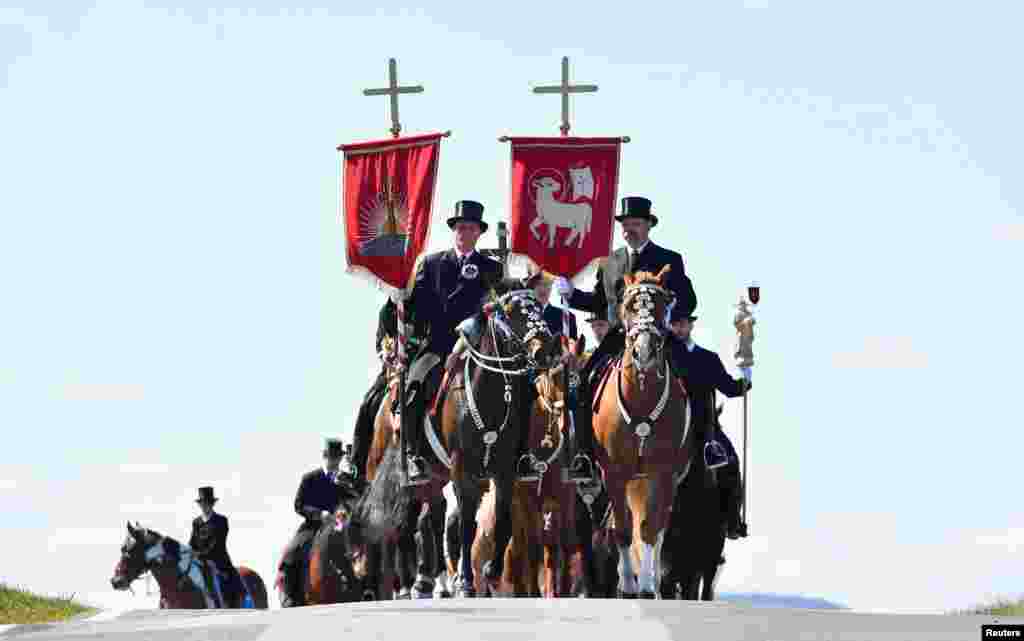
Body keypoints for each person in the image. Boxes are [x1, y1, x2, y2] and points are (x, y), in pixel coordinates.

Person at [554, 196, 698, 482]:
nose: (629, 230)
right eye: (625, 225)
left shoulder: (669, 260)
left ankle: (708, 444)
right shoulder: (609, 261)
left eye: (635, 224)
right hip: (619, 338)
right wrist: (571, 293)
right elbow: (598, 302)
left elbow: (689, 301)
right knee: (582, 382)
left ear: (648, 226)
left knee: (697, 376)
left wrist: (669, 315)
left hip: (660, 337)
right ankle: (583, 454)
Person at [402, 199, 520, 486]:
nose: (463, 233)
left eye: (469, 228)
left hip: (477, 345)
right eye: (459, 228)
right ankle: (413, 452)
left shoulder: (491, 268)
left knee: (520, 385)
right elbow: (416, 306)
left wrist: (470, 334)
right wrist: (401, 301)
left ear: (479, 233)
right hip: (438, 344)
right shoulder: (430, 264)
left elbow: (495, 309)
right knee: (414, 384)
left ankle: (519, 452)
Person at [671, 315, 750, 539]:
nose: (678, 328)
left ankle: (732, 520)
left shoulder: (707, 358)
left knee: (731, 461)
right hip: (669, 431)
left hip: (705, 429)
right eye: (675, 323)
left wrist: (745, 379)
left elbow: (730, 388)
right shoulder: (664, 357)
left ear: (691, 325)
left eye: (683, 323)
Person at [279, 438, 362, 607]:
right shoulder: (309, 478)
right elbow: (298, 505)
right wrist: (318, 514)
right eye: (331, 457)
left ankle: (365, 589)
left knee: (360, 546)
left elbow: (355, 500)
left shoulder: (344, 480)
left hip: (339, 526)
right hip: (313, 526)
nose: (334, 461)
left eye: (337, 458)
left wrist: (353, 486)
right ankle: (290, 595)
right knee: (292, 551)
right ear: (325, 457)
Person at [351, 298, 399, 481]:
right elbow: (380, 343)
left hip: (421, 359)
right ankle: (356, 464)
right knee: (367, 404)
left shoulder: (422, 299)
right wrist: (386, 353)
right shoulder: (386, 312)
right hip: (391, 371)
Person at [188, 486, 244, 607]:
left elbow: (217, 544)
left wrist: (200, 555)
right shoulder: (196, 522)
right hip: (198, 560)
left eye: (207, 503)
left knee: (228, 580)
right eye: (202, 503)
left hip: (217, 559)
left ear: (212, 504)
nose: (204, 506)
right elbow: (192, 542)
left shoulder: (221, 520)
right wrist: (190, 552)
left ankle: (232, 602)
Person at [534, 273, 578, 340]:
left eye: (545, 284)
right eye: (538, 284)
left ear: (551, 288)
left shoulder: (567, 317)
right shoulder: (522, 314)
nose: (541, 288)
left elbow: (573, 346)